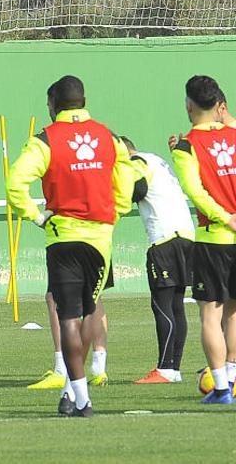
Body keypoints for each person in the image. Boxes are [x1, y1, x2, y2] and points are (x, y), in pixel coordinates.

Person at [6, 76, 133, 416]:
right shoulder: (109, 136)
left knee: (68, 317)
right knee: (90, 309)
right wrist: (116, 211)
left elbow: (15, 182)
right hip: (100, 239)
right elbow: (128, 176)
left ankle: (82, 398)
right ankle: (71, 391)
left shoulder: (45, 139)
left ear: (52, 104)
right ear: (84, 99)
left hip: (63, 237)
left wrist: (35, 216)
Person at [170, 75, 236, 403]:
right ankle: (234, 378)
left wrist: (226, 218)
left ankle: (222, 388)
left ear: (189, 105)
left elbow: (197, 193)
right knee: (234, 312)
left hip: (215, 239)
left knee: (210, 314)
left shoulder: (186, 147)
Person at [118, 136, 193, 384]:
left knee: (161, 305)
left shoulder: (135, 162)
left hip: (164, 240)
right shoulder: (156, 160)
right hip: (185, 236)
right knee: (176, 305)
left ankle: (164, 369)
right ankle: (173, 369)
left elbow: (137, 190)